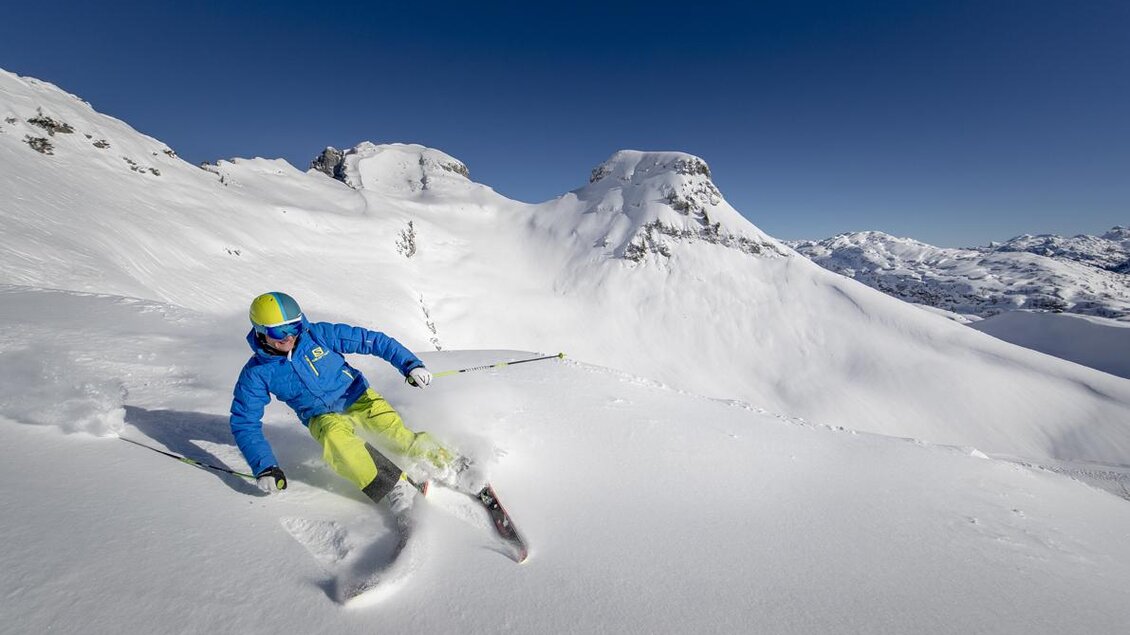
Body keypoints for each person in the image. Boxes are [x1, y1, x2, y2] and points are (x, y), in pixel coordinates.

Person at [229, 291, 461, 515]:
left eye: (294, 326)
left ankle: (450, 463)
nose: (289, 336)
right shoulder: (256, 373)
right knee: (339, 444)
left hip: (357, 396)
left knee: (396, 436)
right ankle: (394, 487)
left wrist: (410, 364)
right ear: (260, 332)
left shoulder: (317, 335)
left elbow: (372, 341)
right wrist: (264, 467)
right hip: (319, 416)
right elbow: (244, 422)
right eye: (280, 332)